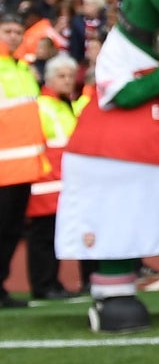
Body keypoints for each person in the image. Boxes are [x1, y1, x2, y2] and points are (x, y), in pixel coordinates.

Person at [24, 53, 82, 297]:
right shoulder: (42, 106)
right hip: (45, 182)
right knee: (43, 237)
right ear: (49, 79)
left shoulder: (63, 105)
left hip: (60, 183)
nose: (67, 80)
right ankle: (43, 285)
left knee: (53, 235)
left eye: (70, 75)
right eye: (61, 76)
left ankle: (52, 282)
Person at [0, 9, 39, 300]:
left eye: (17, 32)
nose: (14, 37)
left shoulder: (23, 69)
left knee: (12, 232)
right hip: (4, 167)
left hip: (23, 167)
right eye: (7, 31)